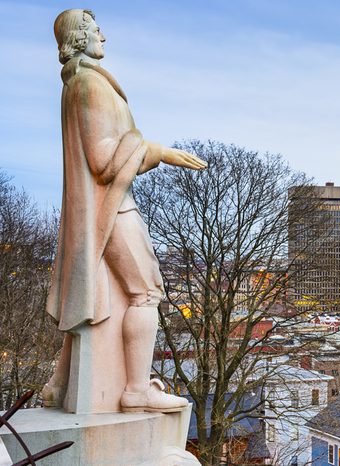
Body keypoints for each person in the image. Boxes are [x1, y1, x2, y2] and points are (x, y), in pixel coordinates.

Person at [43, 9, 207, 412]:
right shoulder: (89, 86)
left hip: (101, 208)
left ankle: (59, 384)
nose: (105, 37)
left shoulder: (80, 84)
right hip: (112, 209)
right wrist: (159, 152)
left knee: (92, 296)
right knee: (146, 292)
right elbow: (103, 161)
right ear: (80, 38)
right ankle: (136, 390)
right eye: (97, 30)